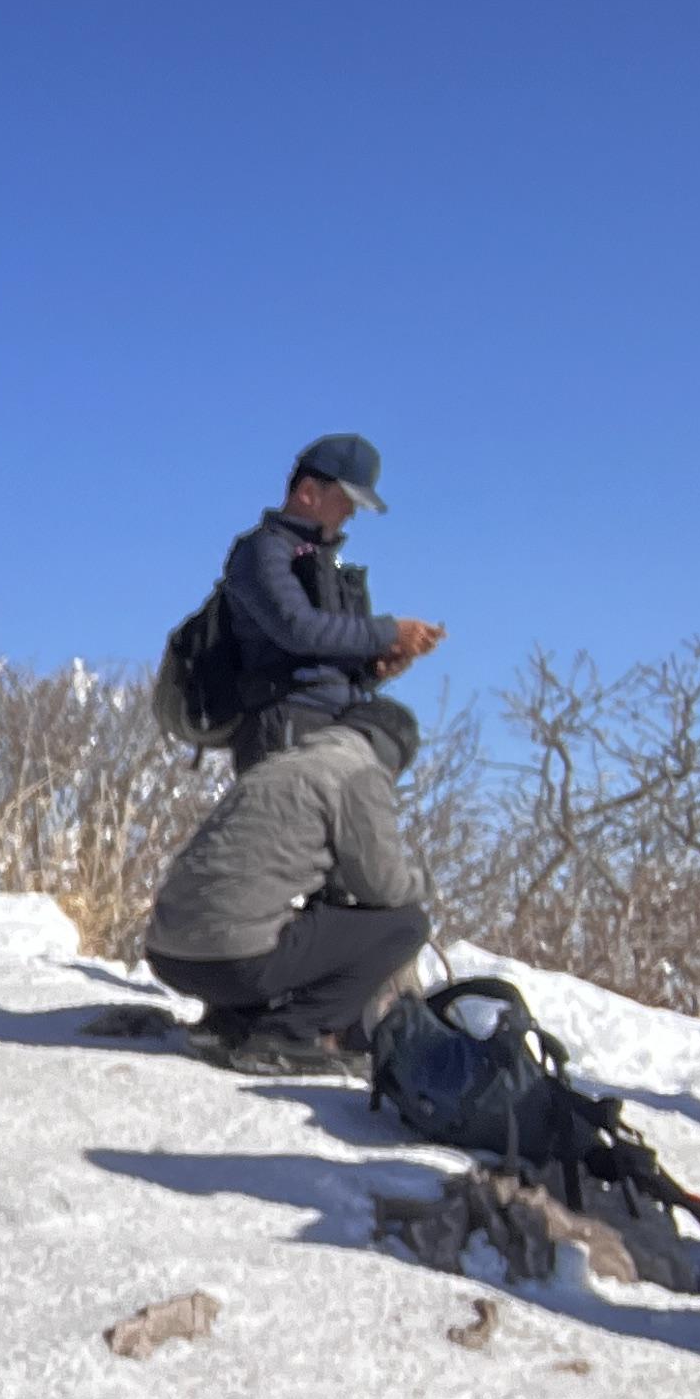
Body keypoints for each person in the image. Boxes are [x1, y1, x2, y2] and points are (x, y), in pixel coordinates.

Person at [144, 696, 430, 1072]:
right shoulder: (358, 771)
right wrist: (421, 883)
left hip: (167, 953)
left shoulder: (280, 765)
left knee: (282, 916)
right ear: (393, 755)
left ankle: (229, 1024)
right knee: (406, 924)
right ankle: (289, 1036)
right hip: (232, 961)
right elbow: (383, 886)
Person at [221, 433, 445, 761]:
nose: (351, 513)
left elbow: (324, 653)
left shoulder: (327, 566)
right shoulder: (264, 550)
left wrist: (372, 669)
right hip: (284, 723)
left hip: (332, 723)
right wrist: (390, 632)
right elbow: (298, 628)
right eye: (347, 499)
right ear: (308, 492)